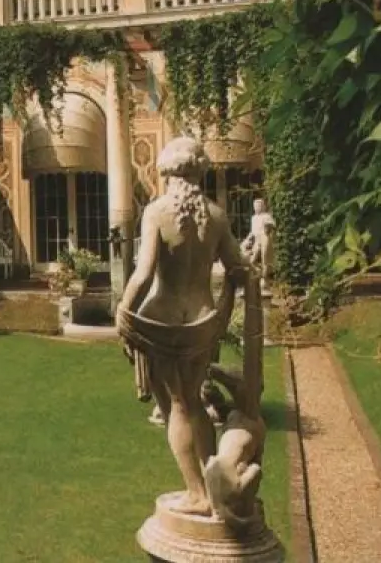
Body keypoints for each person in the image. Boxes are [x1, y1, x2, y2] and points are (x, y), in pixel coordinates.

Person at [116, 137, 250, 516]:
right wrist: (225, 306)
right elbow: (239, 269)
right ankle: (213, 485)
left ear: (167, 172)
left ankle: (197, 493)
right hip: (203, 322)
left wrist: (124, 310)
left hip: (163, 322)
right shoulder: (217, 217)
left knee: (176, 406)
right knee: (194, 404)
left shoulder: (156, 213)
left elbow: (144, 273)